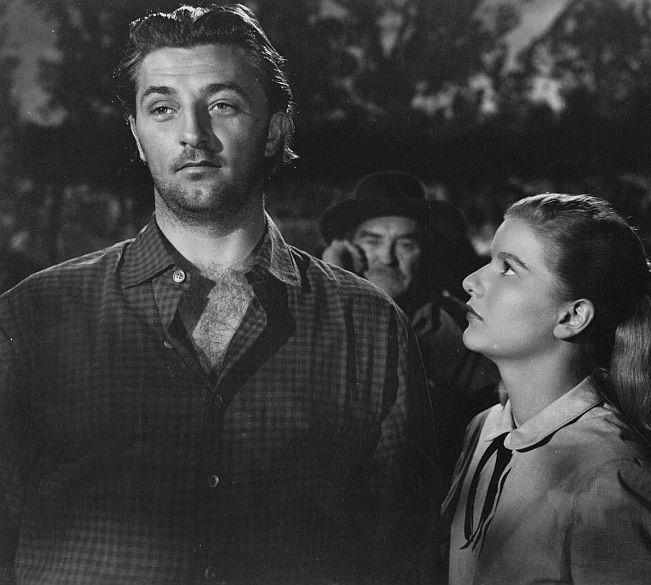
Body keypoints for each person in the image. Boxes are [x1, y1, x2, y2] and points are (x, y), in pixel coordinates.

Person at [0, 5, 439, 585]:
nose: (192, 134)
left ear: (276, 128)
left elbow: (403, 555)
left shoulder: (371, 325)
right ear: (137, 134)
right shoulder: (31, 317)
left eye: (222, 105)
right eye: (162, 108)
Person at [442, 194, 651, 584]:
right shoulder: (485, 429)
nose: (471, 281)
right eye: (490, 261)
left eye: (509, 269)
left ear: (572, 316)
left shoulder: (611, 476)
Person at [319, 171, 500, 481]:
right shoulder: (315, 310)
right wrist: (331, 280)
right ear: (347, 248)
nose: (387, 258)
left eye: (405, 244)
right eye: (372, 241)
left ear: (425, 252)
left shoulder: (459, 326)